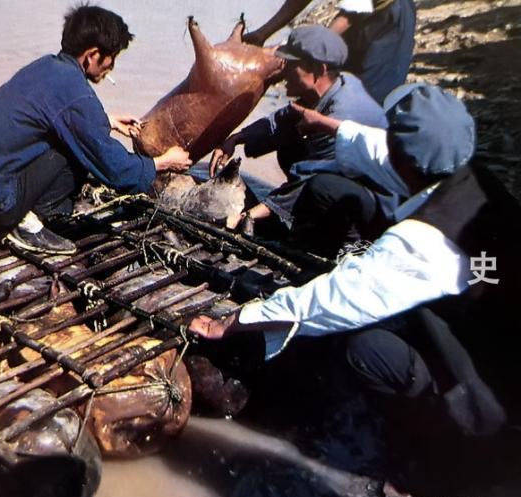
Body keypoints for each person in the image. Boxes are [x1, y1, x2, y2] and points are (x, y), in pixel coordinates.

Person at [190, 83, 521, 445]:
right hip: (493, 329)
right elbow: (381, 150)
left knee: (367, 348)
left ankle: (427, 446)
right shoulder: (470, 178)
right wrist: (326, 124)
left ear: (401, 158)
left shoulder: (423, 240)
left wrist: (237, 321)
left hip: (491, 388)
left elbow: (334, 299)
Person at [0, 5, 191, 255]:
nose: (111, 66)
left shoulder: (47, 67)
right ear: (92, 55)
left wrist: (107, 120)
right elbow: (116, 169)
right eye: (111, 57)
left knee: (76, 138)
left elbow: (51, 112)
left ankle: (32, 208)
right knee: (81, 151)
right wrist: (161, 163)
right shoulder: (74, 91)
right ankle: (24, 223)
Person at [210, 25, 387, 253]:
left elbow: (309, 177)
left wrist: (250, 214)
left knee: (317, 187)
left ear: (318, 69)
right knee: (289, 143)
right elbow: (284, 118)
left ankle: (326, 238)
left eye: (291, 64)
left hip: (369, 206)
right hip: (339, 180)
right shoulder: (335, 83)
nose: (283, 70)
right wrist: (236, 139)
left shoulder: (343, 114)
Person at [245, 0, 416, 104]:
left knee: (368, 95)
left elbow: (352, 13)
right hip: (362, 14)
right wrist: (263, 33)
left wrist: (309, 49)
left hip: (389, 18)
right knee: (332, 83)